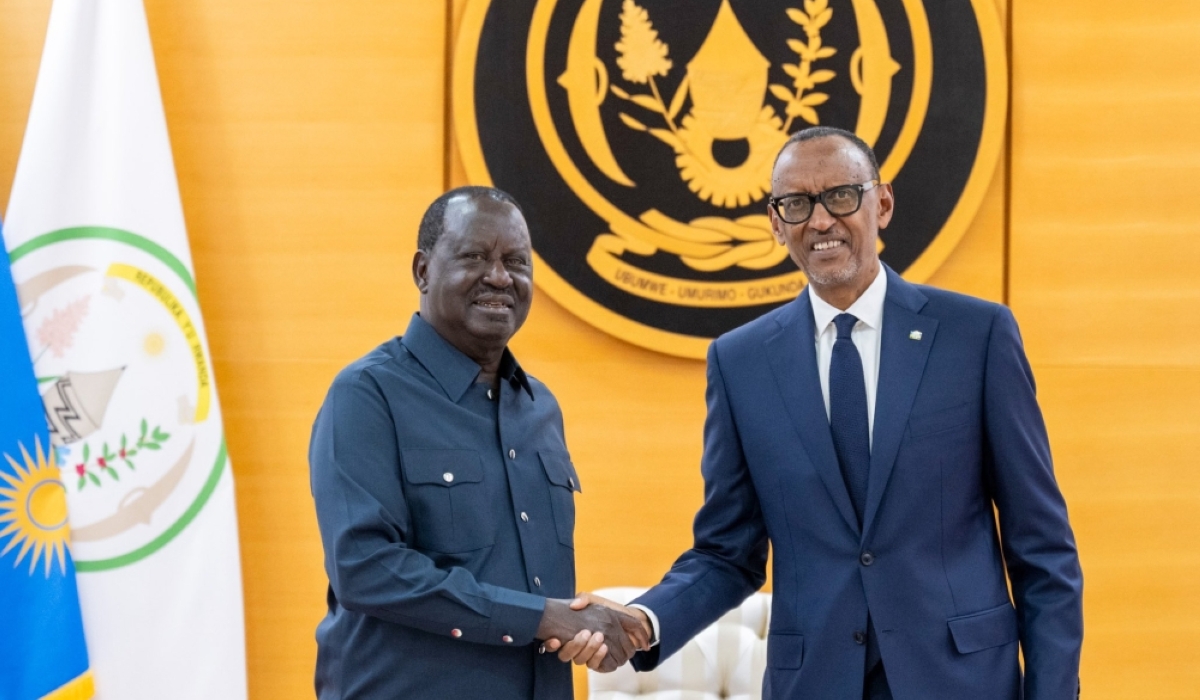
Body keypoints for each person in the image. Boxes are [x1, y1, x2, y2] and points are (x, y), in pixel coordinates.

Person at [563, 127, 1083, 698]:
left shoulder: (976, 336)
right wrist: (645, 621)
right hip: (814, 682)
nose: (820, 220)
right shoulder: (740, 363)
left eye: (841, 196)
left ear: (881, 204)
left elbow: (1042, 549)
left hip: (961, 680)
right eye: (797, 204)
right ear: (775, 223)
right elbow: (727, 553)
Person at [308, 186, 647, 699]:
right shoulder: (367, 394)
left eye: (517, 261)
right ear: (423, 271)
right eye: (474, 257)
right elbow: (365, 568)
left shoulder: (539, 407)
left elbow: (530, 586)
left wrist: (576, 622)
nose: (500, 277)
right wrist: (542, 617)